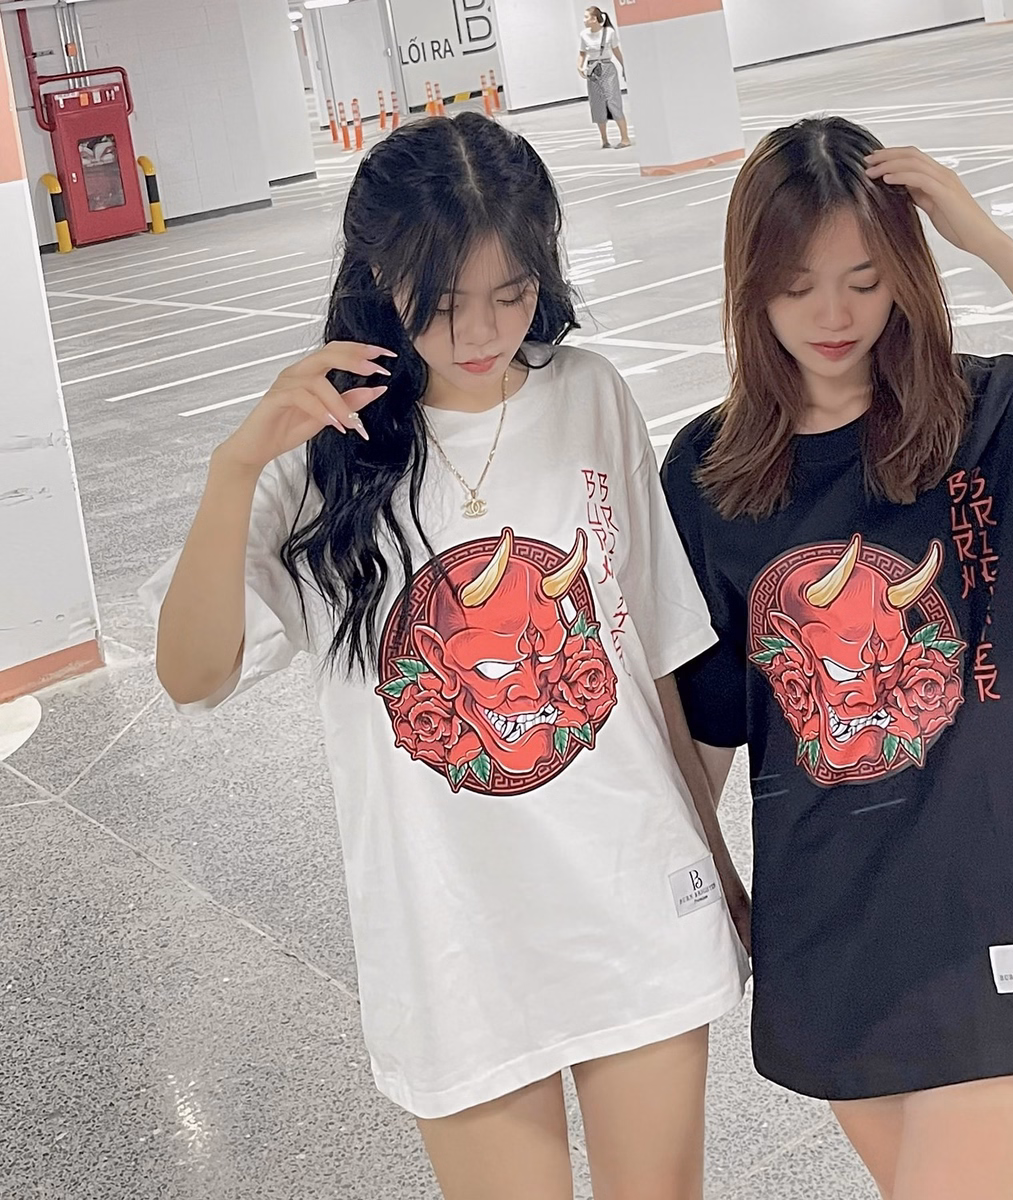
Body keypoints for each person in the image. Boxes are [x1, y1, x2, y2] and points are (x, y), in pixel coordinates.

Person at [144, 111, 749, 1200]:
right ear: (381, 273)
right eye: (441, 302)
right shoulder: (320, 457)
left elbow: (651, 653)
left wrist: (716, 864)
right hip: (454, 936)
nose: (481, 331)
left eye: (511, 294)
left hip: (632, 897)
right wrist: (236, 468)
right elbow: (191, 677)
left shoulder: (589, 394)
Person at [661, 116, 1013, 1200]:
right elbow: (707, 720)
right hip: (832, 912)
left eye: (865, 279)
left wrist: (988, 241)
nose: (835, 315)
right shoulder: (711, 470)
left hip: (999, 889)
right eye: (798, 285)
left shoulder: (992, 414)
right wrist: (710, 883)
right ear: (750, 287)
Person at [578, 7, 631, 150]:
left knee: (613, 100)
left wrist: (624, 67)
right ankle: (604, 139)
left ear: (594, 19)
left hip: (607, 67)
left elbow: (616, 51)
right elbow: (582, 53)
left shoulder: (609, 33)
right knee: (597, 103)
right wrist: (579, 66)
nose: (584, 20)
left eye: (586, 17)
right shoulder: (584, 35)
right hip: (592, 70)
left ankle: (625, 138)